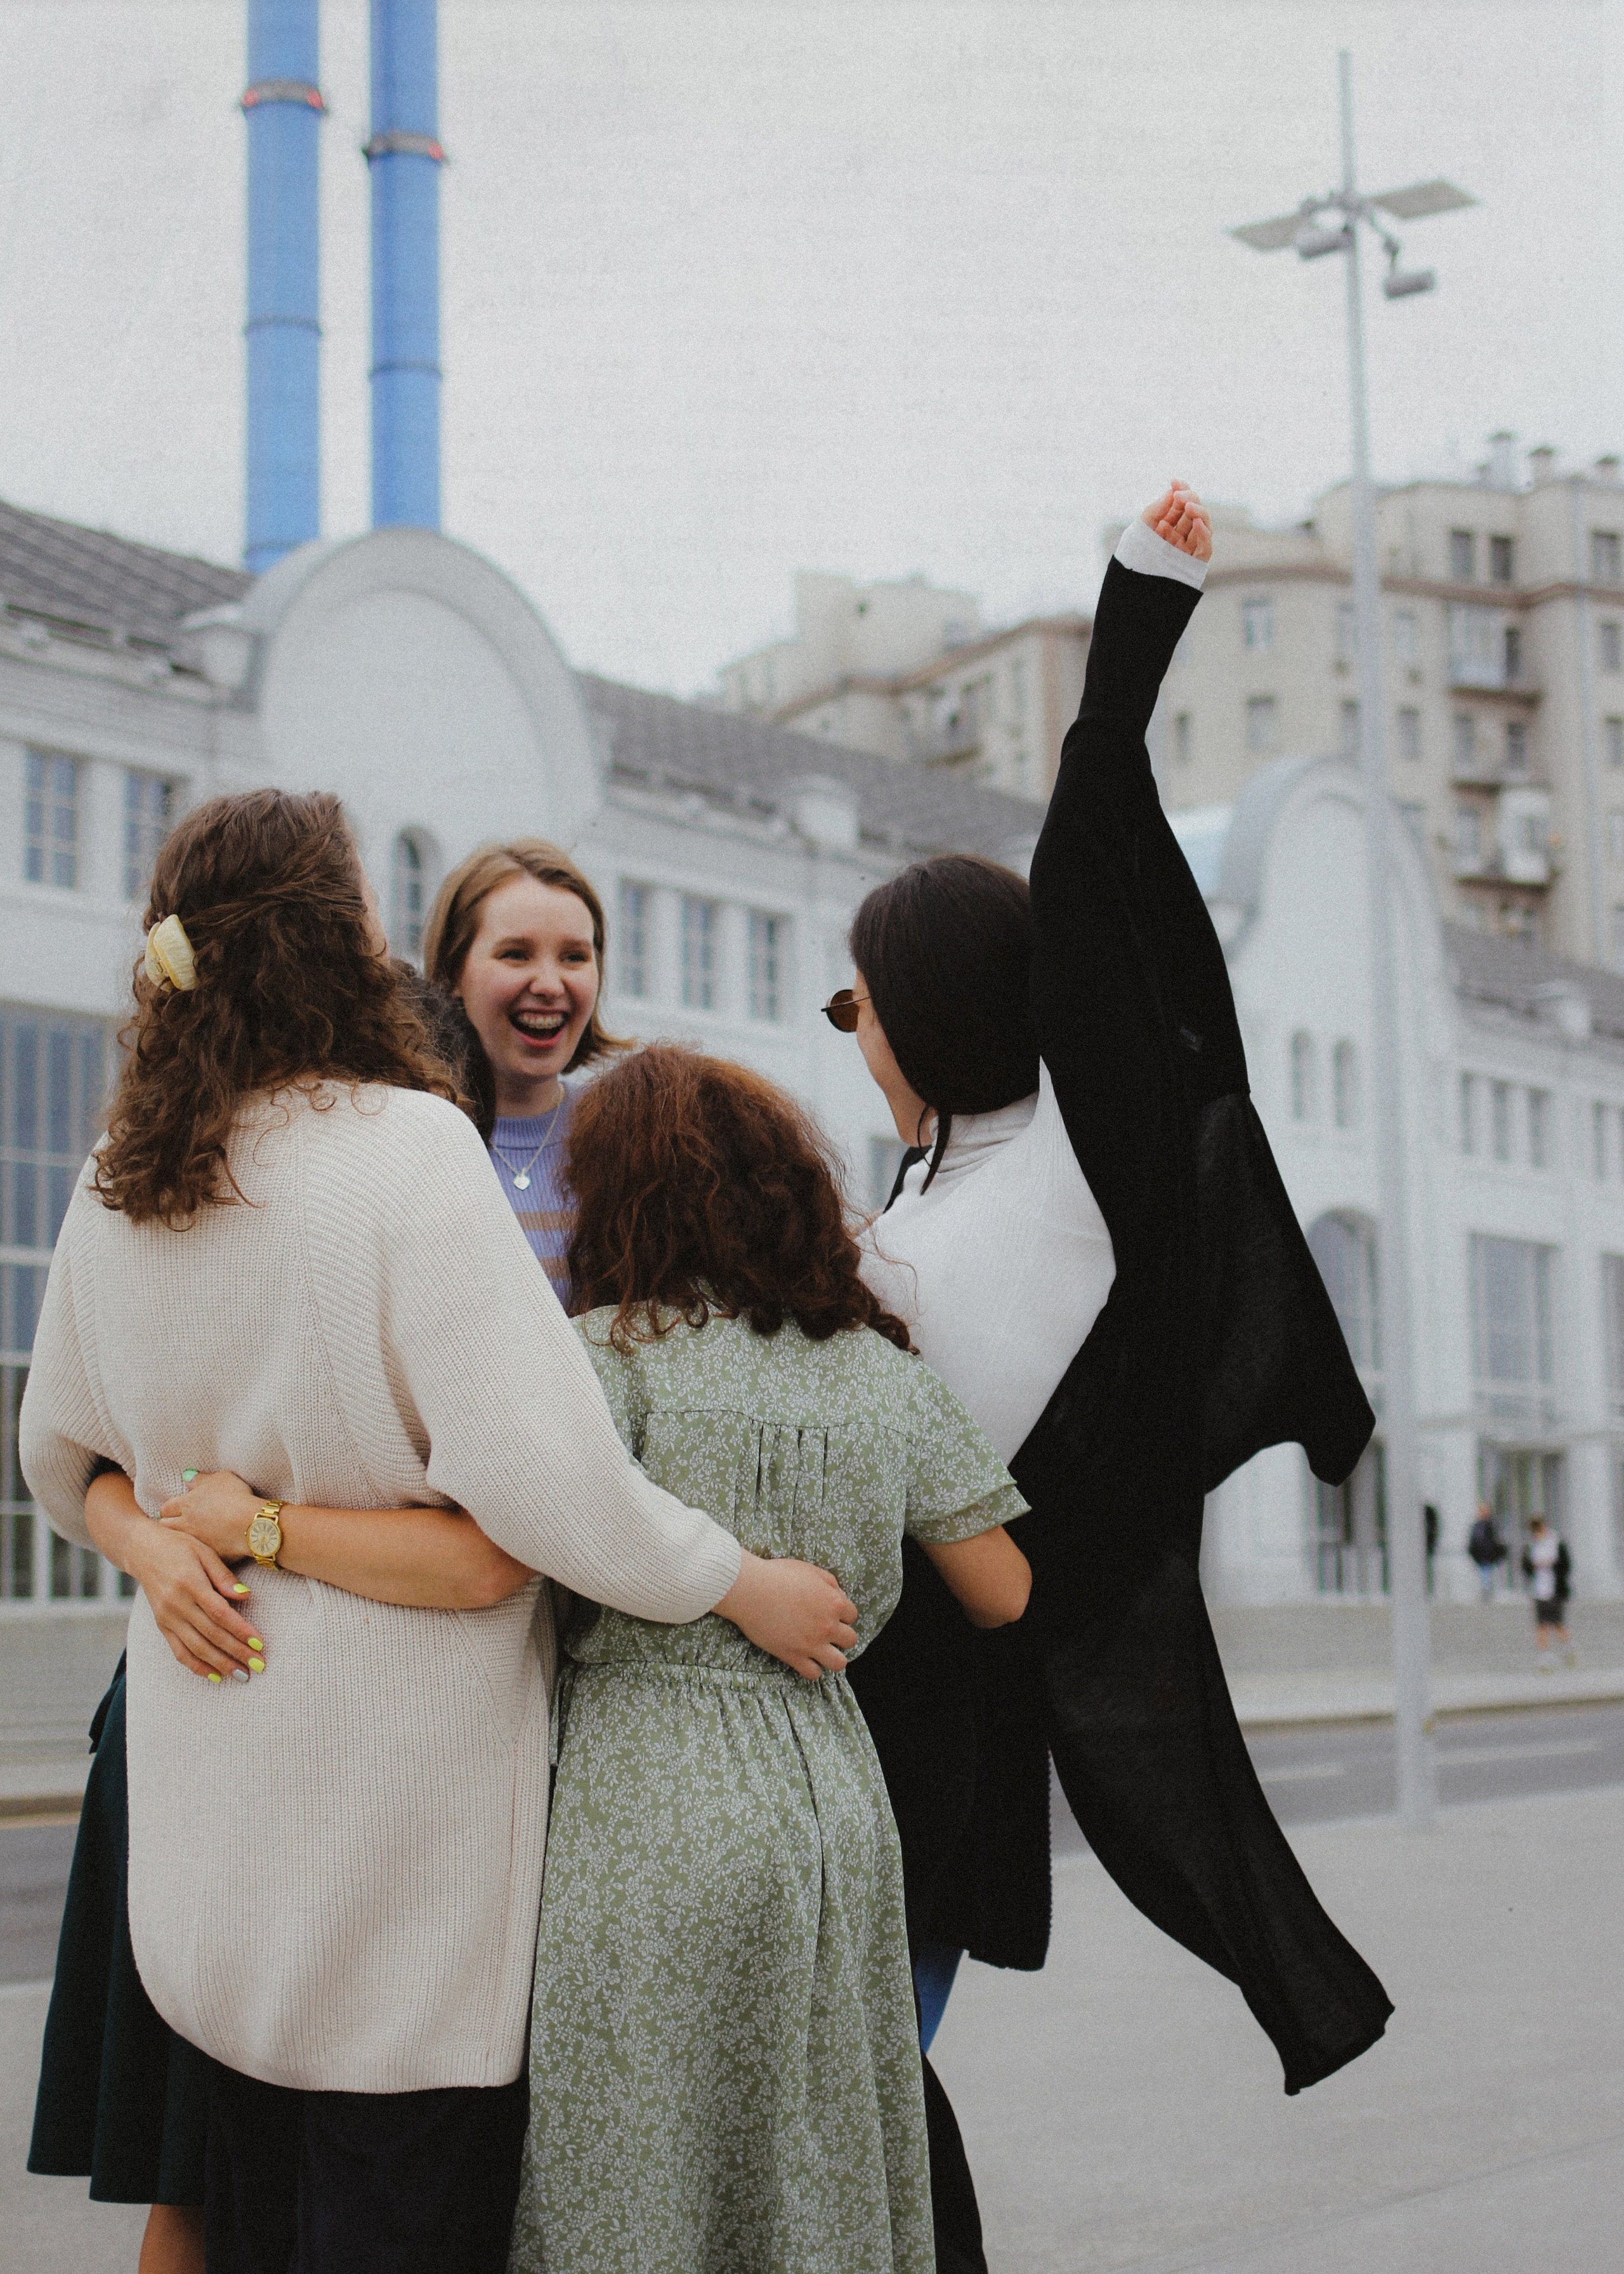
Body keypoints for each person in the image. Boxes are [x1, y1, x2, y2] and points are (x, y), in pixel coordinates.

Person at [20, 789, 855, 2274]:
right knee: (401, 2213)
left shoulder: (113, 1180)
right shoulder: (409, 1151)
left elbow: (55, 1455)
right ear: (345, 938)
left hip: (212, 1817)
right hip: (391, 1846)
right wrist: (740, 1581)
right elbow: (550, 1491)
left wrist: (163, 1540)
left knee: (248, 2209)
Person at [831, 482, 1393, 2268]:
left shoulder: (1065, 1180)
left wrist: (1132, 614)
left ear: (924, 1005)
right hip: (875, 1720)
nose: (850, 1037)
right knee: (855, 2110)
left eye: (859, 1005)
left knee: (855, 2114)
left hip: (922, 1753)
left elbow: (1083, 874)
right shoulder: (913, 1202)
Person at [500, 1044, 1031, 2274]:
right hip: (828, 1794)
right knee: (811, 2156)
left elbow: (531, 1557)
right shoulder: (882, 1371)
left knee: (634, 2163)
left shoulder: (605, 1353)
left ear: (620, 1194)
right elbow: (1002, 1589)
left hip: (642, 1800)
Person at [422, 839, 626, 1303]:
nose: (550, 985)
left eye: (574, 957)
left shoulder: (628, 1141)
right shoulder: (412, 1143)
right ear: (454, 973)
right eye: (516, 954)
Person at [1522, 1515, 1575, 1667]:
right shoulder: (1531, 1545)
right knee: (1542, 1624)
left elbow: (1566, 1565)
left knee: (1557, 1623)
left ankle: (1569, 1646)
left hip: (1555, 1589)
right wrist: (1534, 1566)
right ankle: (1545, 1656)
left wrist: (1551, 1565)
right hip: (1539, 1590)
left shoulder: (1556, 1542)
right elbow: (1526, 1566)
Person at [1468, 1501, 1507, 1601]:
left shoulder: (1491, 1524)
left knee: (1490, 1573)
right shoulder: (1477, 1526)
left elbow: (1496, 1540)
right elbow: (1474, 1541)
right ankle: (1487, 1591)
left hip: (1491, 1554)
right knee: (1485, 1573)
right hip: (1482, 1555)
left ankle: (1493, 1592)